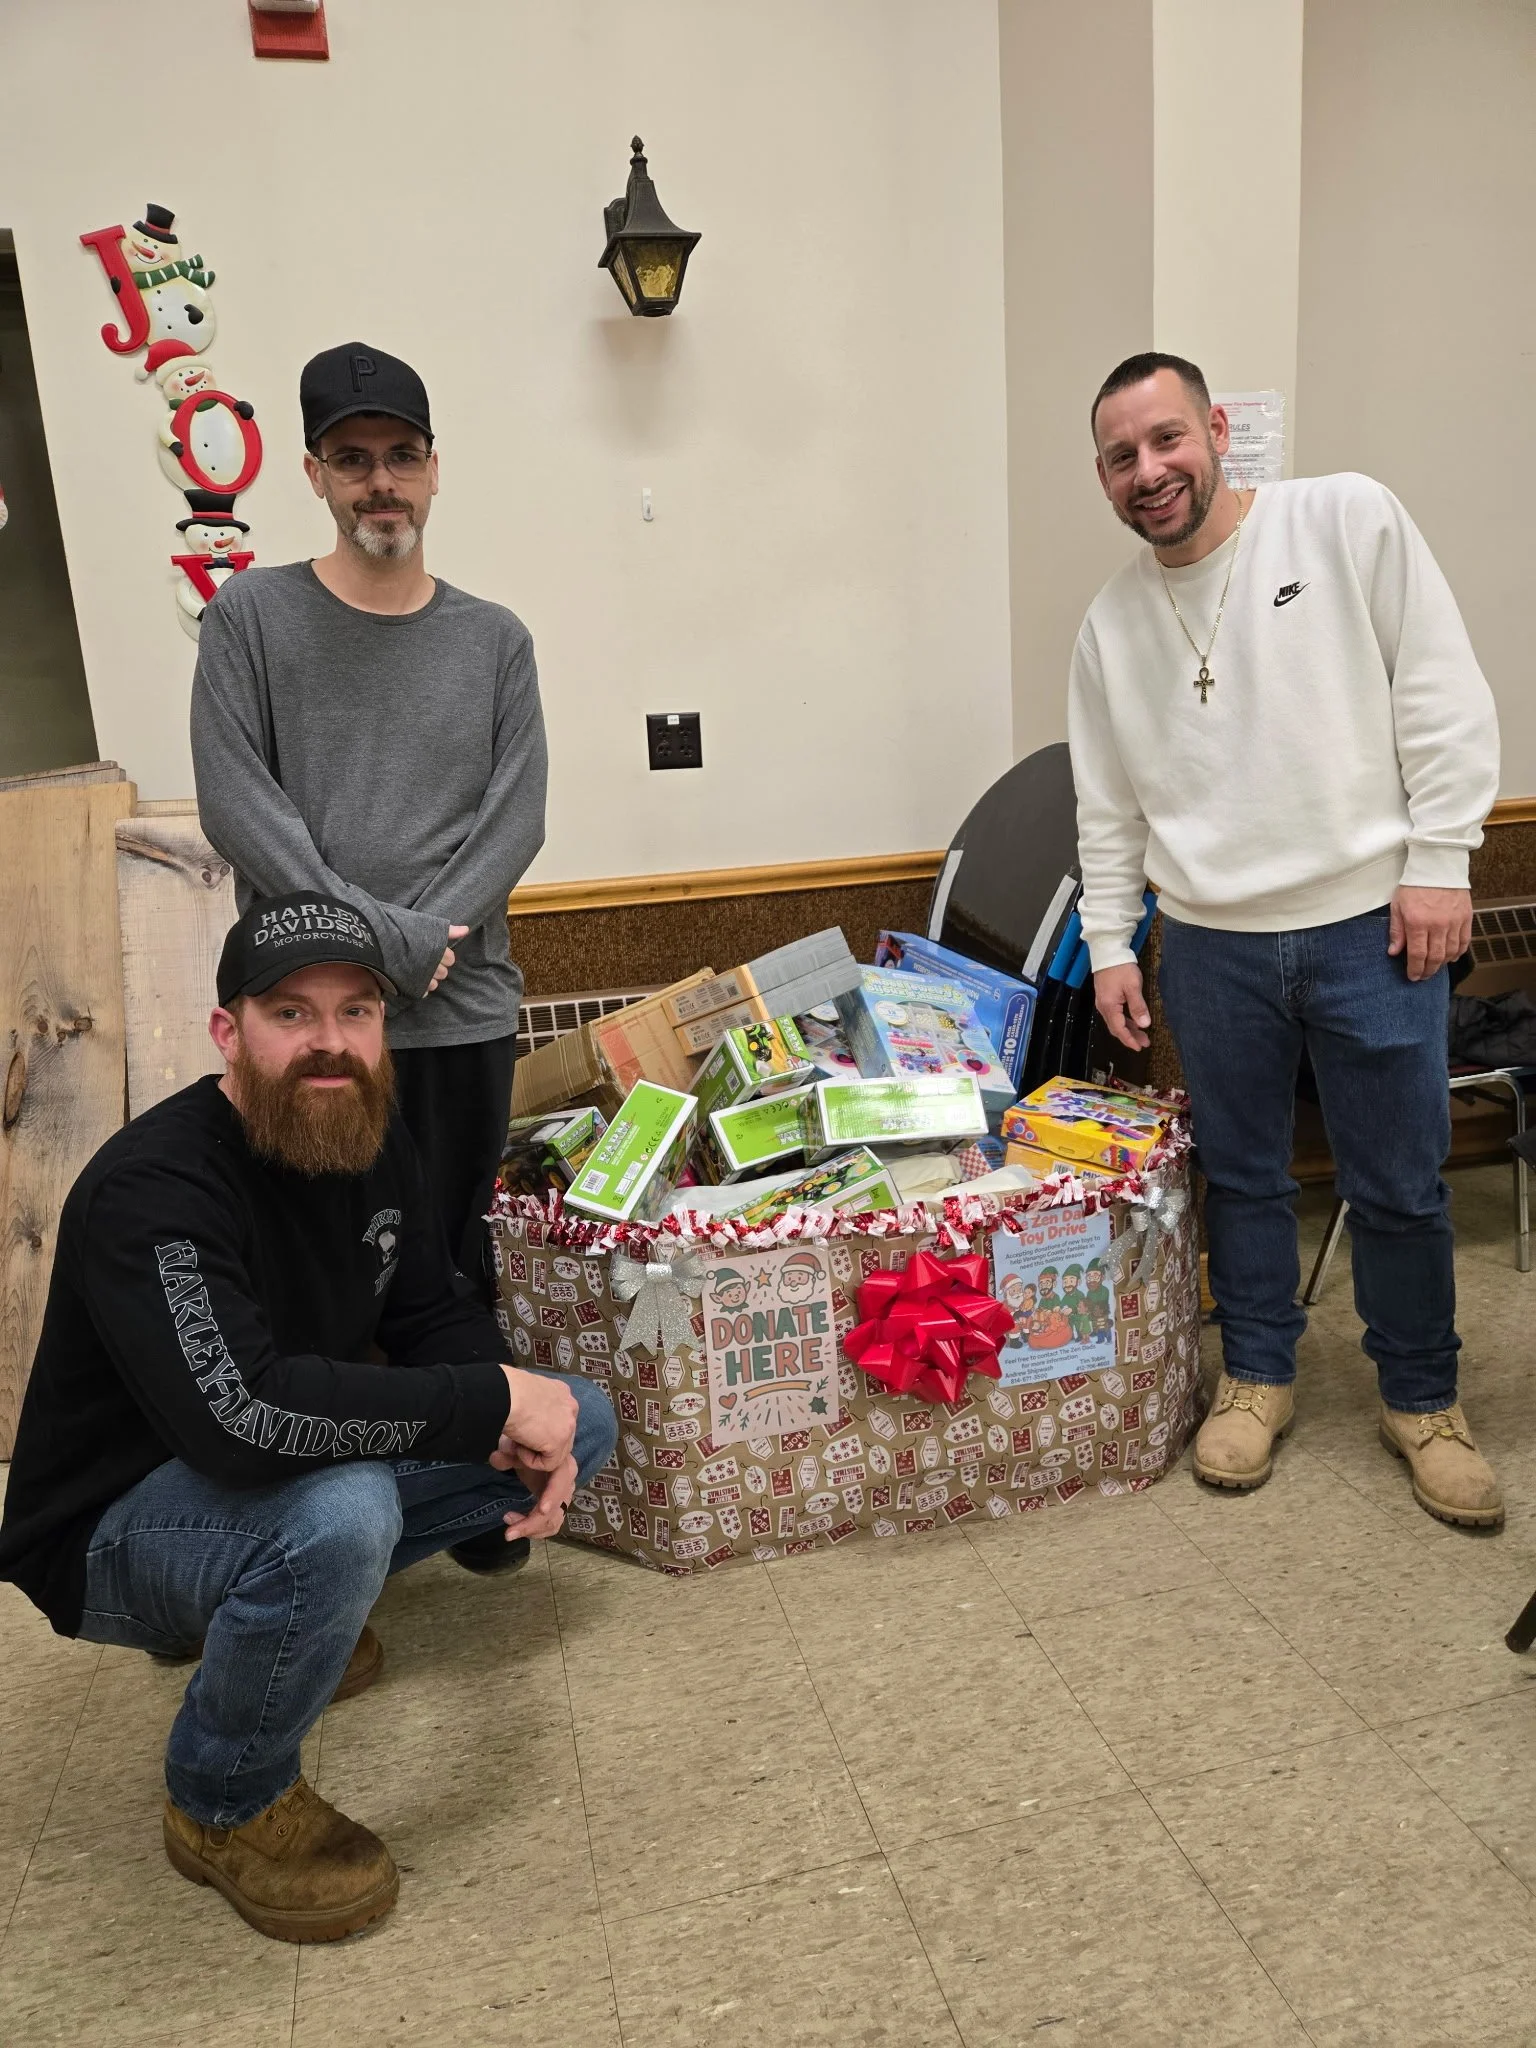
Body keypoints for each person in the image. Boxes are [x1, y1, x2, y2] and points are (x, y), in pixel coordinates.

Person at [0, 896, 618, 1943]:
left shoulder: (365, 1134)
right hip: (112, 1524)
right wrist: (486, 1401)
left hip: (255, 1476)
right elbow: (240, 1414)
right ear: (227, 1031)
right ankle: (221, 1800)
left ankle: (281, 1620)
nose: (328, 1041)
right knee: (340, 1513)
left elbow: (427, 1312)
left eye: (355, 1011)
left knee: (579, 1416)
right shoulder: (153, 1186)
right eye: (290, 1012)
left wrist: (511, 1399)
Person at [1068, 350, 1502, 1526]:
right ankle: (1257, 1376)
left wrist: (1441, 860)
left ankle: (1422, 1399)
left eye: (1167, 438)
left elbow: (1439, 690)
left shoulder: (1345, 519)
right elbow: (1106, 805)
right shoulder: (1111, 621)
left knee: (1399, 1183)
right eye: (1121, 456)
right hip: (1211, 942)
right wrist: (1111, 943)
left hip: (1373, 925)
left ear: (1215, 429)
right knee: (1244, 1176)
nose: (1149, 470)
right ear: (1103, 478)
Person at [190, 341, 546, 1337]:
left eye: (400, 455)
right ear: (315, 475)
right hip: (314, 1021)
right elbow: (238, 806)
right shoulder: (250, 617)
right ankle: (344, 1445)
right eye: (352, 459)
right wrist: (381, 948)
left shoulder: (496, 639)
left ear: (433, 468)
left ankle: (467, 1435)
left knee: (456, 1274)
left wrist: (426, 943)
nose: (380, 481)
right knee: (319, 1282)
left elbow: (517, 818)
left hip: (461, 1014)